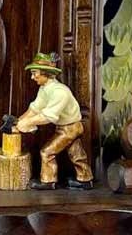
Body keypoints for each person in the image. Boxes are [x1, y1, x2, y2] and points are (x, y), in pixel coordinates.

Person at [13, 52, 94, 191]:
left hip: (70, 128)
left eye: (34, 73)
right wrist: (19, 121)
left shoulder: (59, 92)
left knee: (47, 152)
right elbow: (34, 108)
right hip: (65, 127)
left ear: (45, 73)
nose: (32, 77)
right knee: (76, 153)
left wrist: (27, 123)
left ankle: (48, 181)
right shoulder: (45, 89)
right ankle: (85, 179)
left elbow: (48, 117)